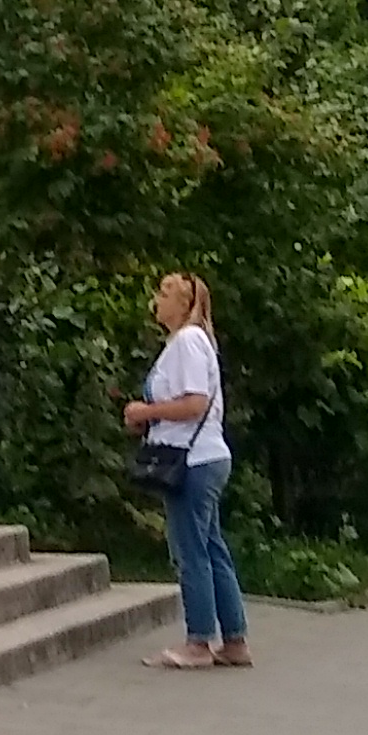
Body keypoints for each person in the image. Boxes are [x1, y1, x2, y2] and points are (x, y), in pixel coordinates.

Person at [124, 271, 250, 671]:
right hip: (206, 457)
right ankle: (234, 641)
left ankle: (198, 643)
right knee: (212, 548)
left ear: (185, 304)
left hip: (193, 462)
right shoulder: (188, 343)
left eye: (165, 293)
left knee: (191, 552)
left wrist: (146, 411)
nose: (156, 299)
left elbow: (195, 404)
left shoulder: (188, 341)